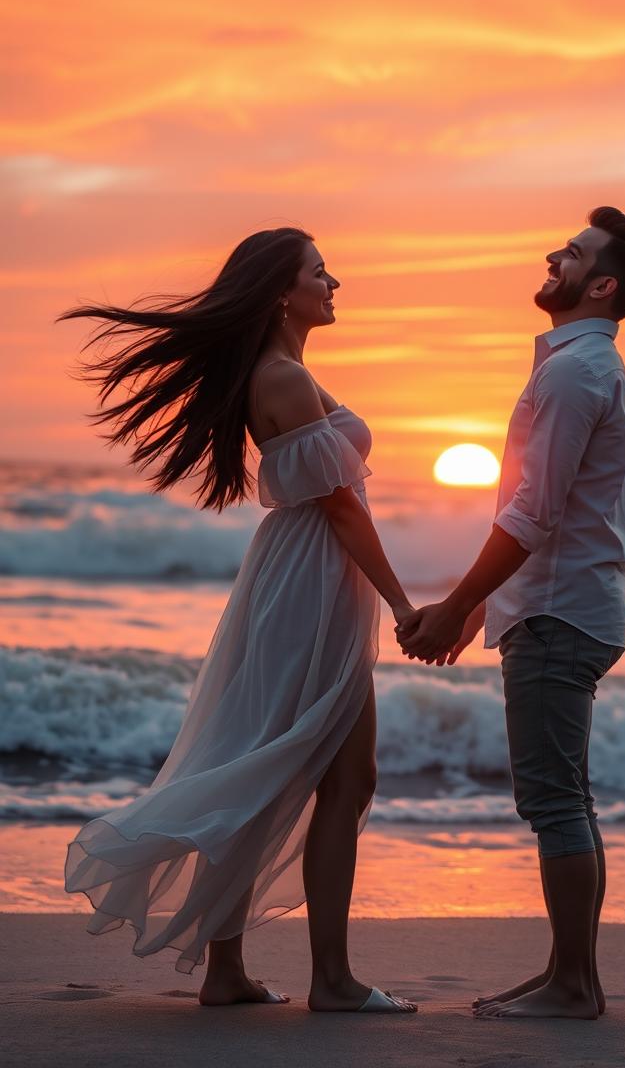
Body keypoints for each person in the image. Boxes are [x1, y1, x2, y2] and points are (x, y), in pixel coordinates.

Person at [61, 228, 418, 1014]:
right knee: (336, 776)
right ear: (281, 293)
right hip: (313, 577)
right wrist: (401, 604)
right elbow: (344, 510)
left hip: (303, 575)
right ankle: (331, 981)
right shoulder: (284, 377)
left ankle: (230, 973)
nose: (336, 282)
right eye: (320, 272)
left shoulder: (287, 373)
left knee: (274, 763)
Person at [398, 206, 625, 1020]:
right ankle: (569, 976)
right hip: (568, 605)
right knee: (567, 797)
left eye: (575, 254)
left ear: (603, 284)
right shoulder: (584, 368)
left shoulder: (575, 372)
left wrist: (460, 602)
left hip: (559, 614)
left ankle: (574, 985)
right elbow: (549, 508)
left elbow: (533, 512)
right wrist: (491, 602)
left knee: (552, 800)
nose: (556, 257)